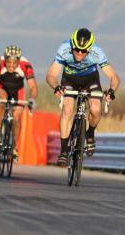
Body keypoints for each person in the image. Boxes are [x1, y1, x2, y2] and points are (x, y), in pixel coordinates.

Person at [45, 28, 120, 166]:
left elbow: (114, 77)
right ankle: (63, 151)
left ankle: (90, 133)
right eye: (77, 49)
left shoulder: (97, 52)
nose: (79, 53)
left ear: (89, 49)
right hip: (69, 79)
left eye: (84, 51)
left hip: (90, 79)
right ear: (72, 45)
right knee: (67, 109)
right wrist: (56, 86)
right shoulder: (64, 49)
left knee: (96, 109)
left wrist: (111, 91)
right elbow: (51, 75)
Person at [0, 45, 38, 158]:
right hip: (2, 88)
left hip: (17, 90)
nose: (11, 66)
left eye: (14, 63)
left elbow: (33, 87)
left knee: (16, 119)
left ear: (19, 61)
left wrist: (31, 99)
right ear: (4, 59)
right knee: (2, 100)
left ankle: (15, 145)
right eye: (8, 62)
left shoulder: (26, 65)